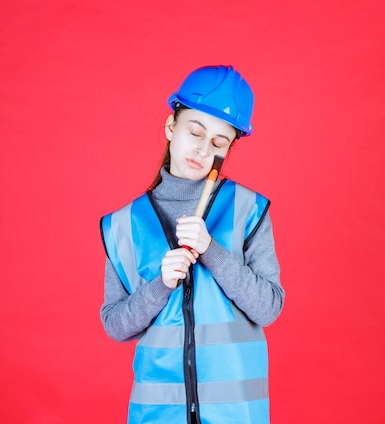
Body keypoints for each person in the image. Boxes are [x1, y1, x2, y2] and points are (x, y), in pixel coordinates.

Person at [100, 65, 285, 424]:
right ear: (172, 127)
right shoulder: (123, 224)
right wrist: (160, 285)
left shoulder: (248, 210)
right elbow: (115, 325)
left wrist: (212, 250)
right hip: (157, 415)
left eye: (218, 143)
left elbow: (269, 308)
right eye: (195, 132)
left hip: (237, 415)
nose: (202, 149)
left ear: (229, 149)